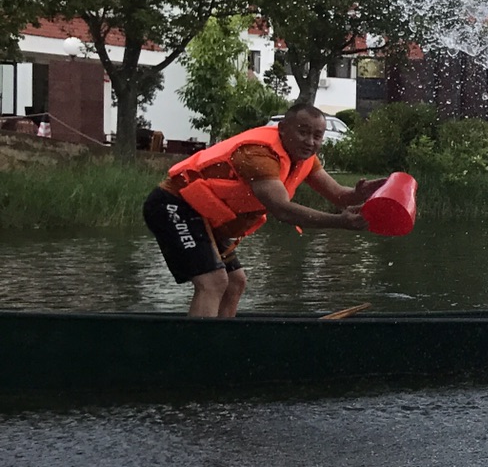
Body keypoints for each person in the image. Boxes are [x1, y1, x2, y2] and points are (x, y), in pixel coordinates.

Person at [144, 105, 374, 317]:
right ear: (282, 129)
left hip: (203, 213)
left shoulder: (306, 160)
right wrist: (339, 222)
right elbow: (282, 210)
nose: (310, 142)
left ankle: (222, 344)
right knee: (213, 281)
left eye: (317, 136)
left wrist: (366, 192)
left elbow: (341, 196)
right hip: (172, 204)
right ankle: (201, 353)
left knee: (235, 283)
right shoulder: (258, 155)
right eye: (303, 132)